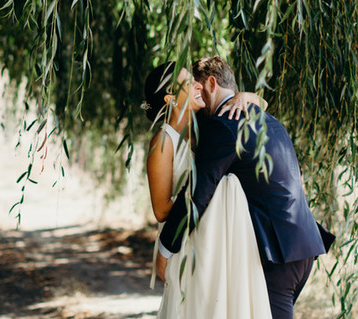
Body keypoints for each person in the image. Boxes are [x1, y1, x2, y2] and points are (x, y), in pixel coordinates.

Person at [157, 56, 334, 319]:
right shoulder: (265, 118)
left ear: (212, 83)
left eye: (198, 86)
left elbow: (197, 194)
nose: (197, 93)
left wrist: (166, 249)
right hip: (299, 246)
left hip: (277, 257)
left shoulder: (224, 125)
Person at [143, 60, 273, 319]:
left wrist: (247, 96)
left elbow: (260, 111)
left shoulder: (202, 130)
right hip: (188, 244)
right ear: (170, 98)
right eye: (188, 83)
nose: (197, 86)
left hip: (214, 241)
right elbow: (160, 210)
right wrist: (205, 194)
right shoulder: (163, 142)